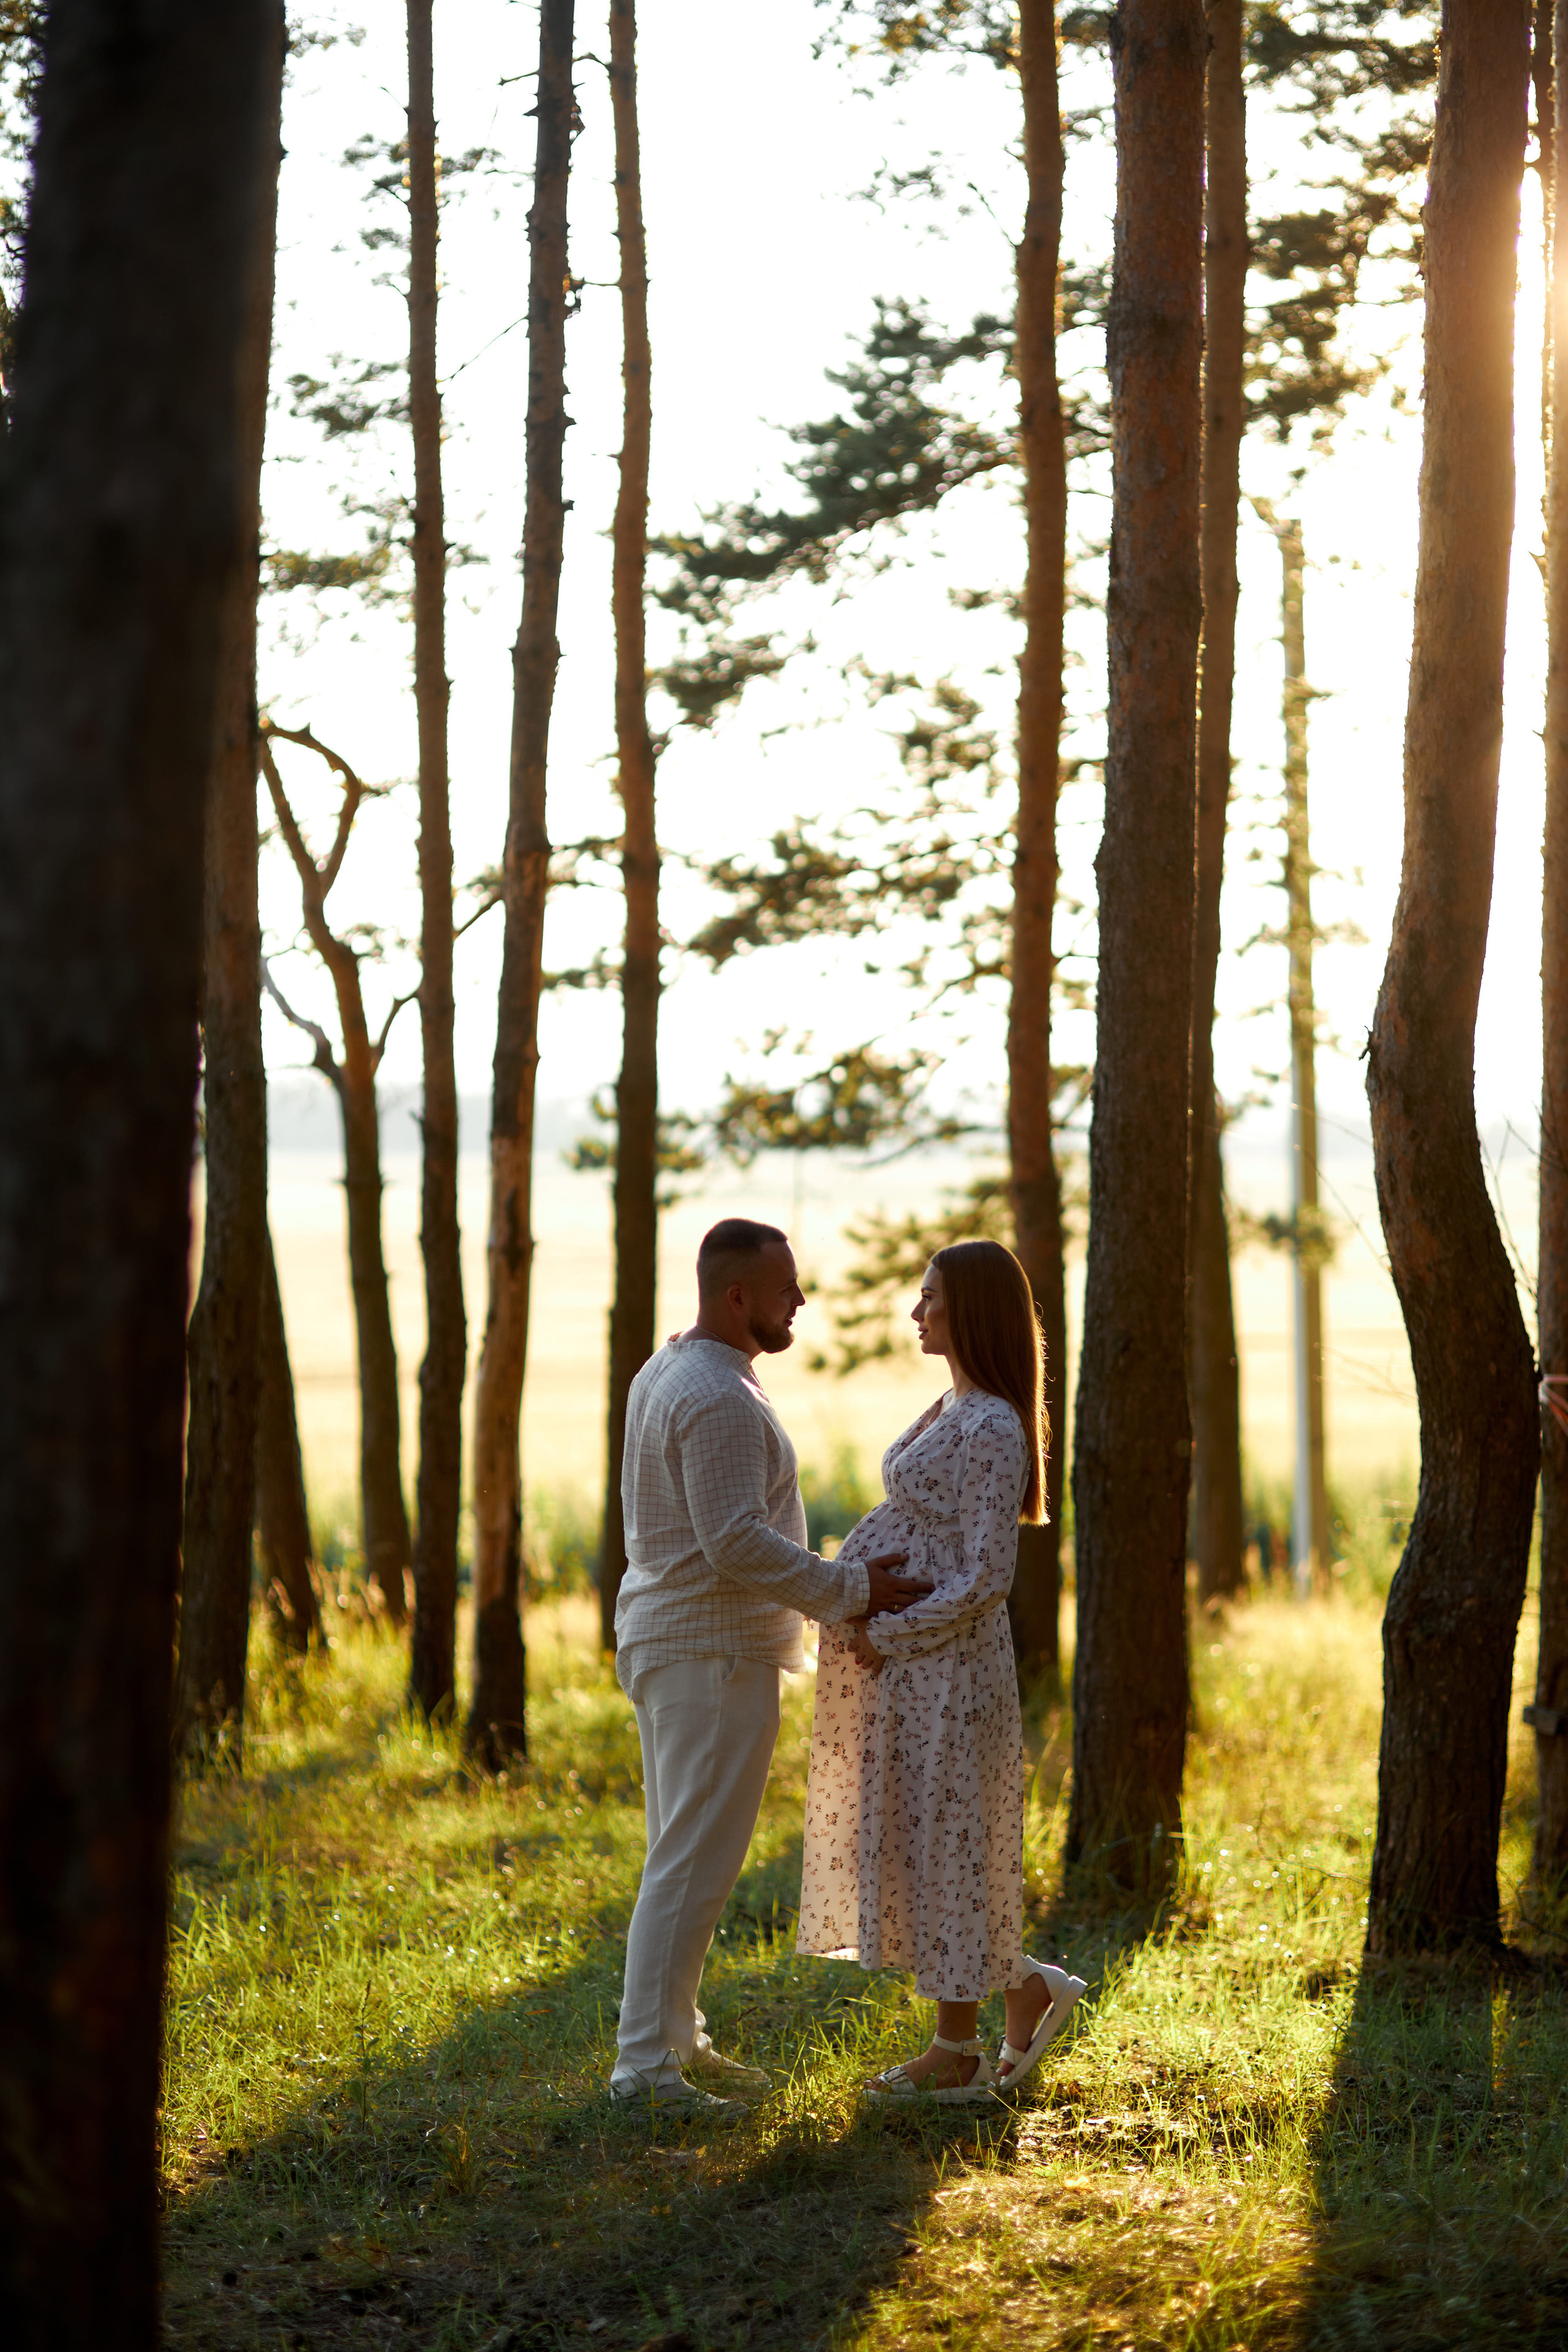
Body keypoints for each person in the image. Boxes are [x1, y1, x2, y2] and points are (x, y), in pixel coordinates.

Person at [610, 1216, 928, 2111]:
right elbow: (736, 1543)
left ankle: (676, 2041)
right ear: (736, 1295)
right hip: (710, 1656)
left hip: (679, 1645)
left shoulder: (671, 1367)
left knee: (683, 1859)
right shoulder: (717, 1395)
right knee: (691, 1866)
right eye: (786, 1288)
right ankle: (645, 2069)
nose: (801, 1300)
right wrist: (852, 1589)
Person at [796, 1238, 1087, 2104]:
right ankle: (1023, 1987)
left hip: (951, 1670)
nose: (916, 1311)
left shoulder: (993, 1423)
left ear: (974, 1309)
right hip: (919, 1668)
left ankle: (957, 2052)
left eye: (932, 1297)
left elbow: (987, 1576)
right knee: (929, 1844)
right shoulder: (952, 1405)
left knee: (948, 1843)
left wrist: (891, 1633)